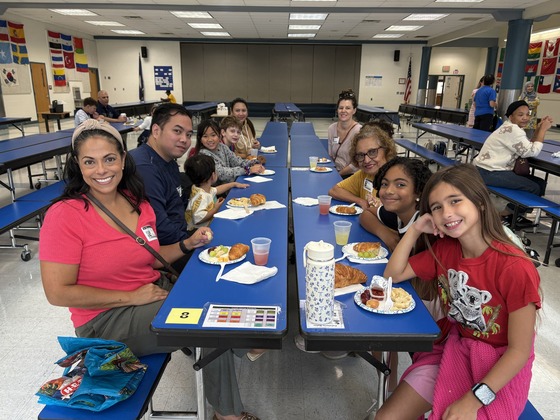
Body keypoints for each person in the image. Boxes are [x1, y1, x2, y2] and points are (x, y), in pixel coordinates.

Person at [39, 120, 260, 420]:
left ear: (122, 159)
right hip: (105, 320)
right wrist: (131, 296)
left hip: (150, 292)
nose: (101, 170)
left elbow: (153, 258)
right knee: (206, 325)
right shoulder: (64, 215)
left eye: (109, 159)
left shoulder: (136, 203)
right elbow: (57, 292)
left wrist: (187, 243)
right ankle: (227, 414)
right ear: (77, 165)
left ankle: (232, 349)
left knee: (214, 292)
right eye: (89, 162)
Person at [378, 164, 541, 420]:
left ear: (481, 202)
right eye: (437, 207)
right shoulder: (446, 250)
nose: (447, 213)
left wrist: (474, 399)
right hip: (457, 350)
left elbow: (519, 351)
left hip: (500, 366)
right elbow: (392, 275)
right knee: (387, 417)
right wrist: (415, 229)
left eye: (455, 201)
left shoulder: (514, 267)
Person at [129, 103, 201, 272]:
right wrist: (191, 243)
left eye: (189, 134)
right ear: (155, 131)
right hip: (161, 252)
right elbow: (159, 227)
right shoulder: (144, 167)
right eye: (177, 131)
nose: (184, 139)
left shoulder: (168, 161)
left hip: (177, 239)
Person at [473, 100, 554, 226]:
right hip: (489, 172)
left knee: (540, 183)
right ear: (511, 117)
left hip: (487, 169)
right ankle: (507, 214)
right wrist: (543, 129)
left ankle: (518, 213)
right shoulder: (513, 130)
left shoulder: (509, 127)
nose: (525, 118)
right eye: (520, 115)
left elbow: (527, 147)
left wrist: (538, 130)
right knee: (534, 187)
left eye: (528, 114)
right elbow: (532, 152)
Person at [328, 121, 397, 209]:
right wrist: (360, 201)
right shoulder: (364, 174)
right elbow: (334, 191)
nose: (366, 160)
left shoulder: (397, 180)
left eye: (372, 152)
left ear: (386, 150)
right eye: (361, 155)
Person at [184, 154, 249, 230]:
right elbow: (198, 219)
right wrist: (215, 209)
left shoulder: (200, 187)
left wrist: (233, 184)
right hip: (198, 231)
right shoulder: (202, 197)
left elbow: (216, 190)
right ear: (212, 175)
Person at [196, 119, 264, 184]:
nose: (210, 139)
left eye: (213, 135)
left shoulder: (223, 147)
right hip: (219, 192)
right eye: (205, 136)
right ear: (200, 139)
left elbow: (237, 161)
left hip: (230, 186)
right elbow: (221, 173)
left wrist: (254, 162)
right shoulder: (203, 154)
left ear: (219, 135)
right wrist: (247, 170)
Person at [328, 89, 362, 177]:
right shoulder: (332, 129)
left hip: (352, 175)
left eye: (348, 108)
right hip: (335, 171)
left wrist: (339, 174)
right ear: (337, 110)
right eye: (341, 108)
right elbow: (330, 155)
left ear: (354, 111)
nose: (343, 111)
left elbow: (357, 163)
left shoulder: (359, 131)